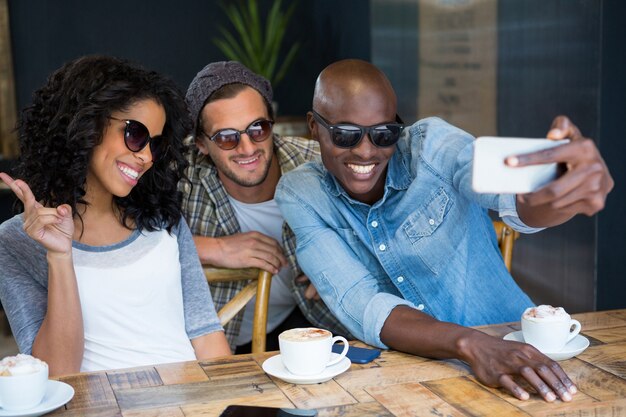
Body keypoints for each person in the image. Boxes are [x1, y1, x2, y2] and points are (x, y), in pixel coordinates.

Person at [275, 59, 613, 401]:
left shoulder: (432, 147)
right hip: (410, 385)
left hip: (523, 357)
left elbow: (508, 194)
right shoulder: (301, 194)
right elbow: (364, 304)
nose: (366, 151)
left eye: (383, 134)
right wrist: (471, 345)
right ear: (313, 126)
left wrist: (560, 186)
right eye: (346, 134)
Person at [0, 55, 231, 376]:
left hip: (190, 403)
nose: (146, 156)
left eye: (155, 143)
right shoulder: (15, 240)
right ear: (86, 124)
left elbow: (206, 335)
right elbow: (55, 373)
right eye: (135, 134)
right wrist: (59, 256)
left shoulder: (164, 219)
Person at [183, 61, 350, 352]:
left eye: (257, 128)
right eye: (226, 138)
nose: (247, 148)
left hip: (316, 327)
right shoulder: (179, 176)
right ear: (200, 144)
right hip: (221, 347)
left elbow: (386, 218)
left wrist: (344, 262)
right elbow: (115, 239)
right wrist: (213, 248)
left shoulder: (317, 164)